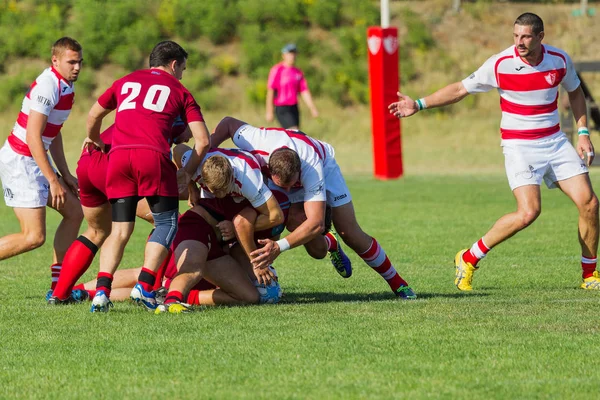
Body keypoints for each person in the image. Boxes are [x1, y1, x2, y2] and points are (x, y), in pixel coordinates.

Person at [389, 12, 600, 291]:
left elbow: (575, 92)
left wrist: (582, 132)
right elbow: (460, 89)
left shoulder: (559, 60)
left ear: (540, 37)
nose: (519, 42)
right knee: (528, 212)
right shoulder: (500, 64)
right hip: (520, 146)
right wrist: (419, 103)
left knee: (590, 204)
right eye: (515, 36)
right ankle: (468, 257)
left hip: (555, 142)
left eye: (525, 36)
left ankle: (589, 276)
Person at [210, 117, 417, 299]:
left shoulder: (312, 167)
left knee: (349, 232)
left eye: (293, 185)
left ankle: (398, 283)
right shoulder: (257, 140)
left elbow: (316, 223)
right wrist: (206, 150)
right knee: (304, 239)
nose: (291, 190)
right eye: (286, 187)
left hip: (324, 165)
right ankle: (327, 243)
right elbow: (228, 123)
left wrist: (279, 247)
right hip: (279, 173)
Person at [84, 40, 211, 312]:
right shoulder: (180, 90)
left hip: (117, 157)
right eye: (183, 68)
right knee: (167, 222)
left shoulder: (125, 81)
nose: (182, 74)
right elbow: (203, 140)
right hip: (152, 156)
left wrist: (95, 140)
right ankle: (144, 286)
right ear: (174, 64)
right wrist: (187, 173)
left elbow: (94, 114)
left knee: (119, 230)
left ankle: (101, 292)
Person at [47, 122, 192, 305]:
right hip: (116, 166)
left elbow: (98, 109)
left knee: (96, 231)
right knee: (167, 222)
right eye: (190, 130)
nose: (189, 137)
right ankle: (151, 291)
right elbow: (163, 185)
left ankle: (59, 294)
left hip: (90, 159)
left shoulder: (139, 108)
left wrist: (92, 133)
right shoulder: (165, 122)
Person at [0, 37, 84, 294]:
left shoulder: (66, 86)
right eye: (72, 62)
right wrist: (53, 180)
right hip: (21, 162)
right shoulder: (48, 87)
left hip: (36, 160)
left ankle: (59, 285)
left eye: (80, 62)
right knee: (33, 236)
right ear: (55, 60)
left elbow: (53, 133)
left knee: (75, 213)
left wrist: (65, 173)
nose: (77, 67)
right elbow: (33, 136)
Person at [266, 43, 319, 130]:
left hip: (294, 107)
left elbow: (304, 91)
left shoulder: (298, 72)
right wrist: (269, 111)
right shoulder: (277, 70)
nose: (292, 56)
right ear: (284, 55)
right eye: (290, 53)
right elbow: (271, 90)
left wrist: (312, 108)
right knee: (294, 130)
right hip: (282, 107)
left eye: (294, 53)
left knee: (296, 134)